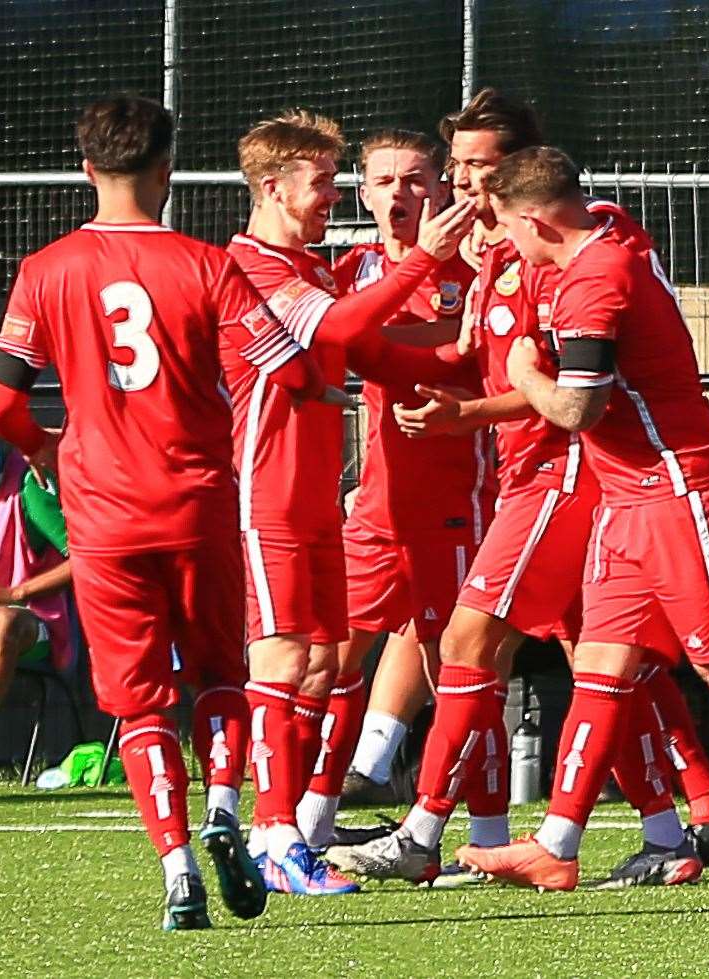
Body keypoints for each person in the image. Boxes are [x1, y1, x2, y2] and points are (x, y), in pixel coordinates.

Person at [328, 90, 709, 888]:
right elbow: (453, 350)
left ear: (521, 170)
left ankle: (421, 828)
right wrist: (340, 340)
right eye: (454, 167)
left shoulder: (562, 250)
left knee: (468, 642)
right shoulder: (490, 255)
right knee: (600, 660)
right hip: (524, 476)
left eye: (477, 167)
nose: (460, 184)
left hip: (564, 477)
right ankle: (681, 820)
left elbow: (565, 383)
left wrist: (469, 411)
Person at [448, 146, 709, 893]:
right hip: (629, 498)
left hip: (680, 492)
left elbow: (576, 406)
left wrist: (526, 370)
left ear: (535, 220)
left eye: (508, 229)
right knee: (599, 668)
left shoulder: (594, 278)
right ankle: (558, 842)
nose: (506, 245)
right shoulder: (608, 237)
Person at [0, 95, 327, 929]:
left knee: (138, 704)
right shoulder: (209, 266)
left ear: (86, 168)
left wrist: (46, 449)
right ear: (168, 169)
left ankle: (177, 869)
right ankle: (221, 811)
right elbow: (287, 370)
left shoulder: (47, 269)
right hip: (199, 502)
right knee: (218, 674)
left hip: (103, 516)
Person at [225, 108, 476, 896]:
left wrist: (473, 348)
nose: (331, 195)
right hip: (267, 499)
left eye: (338, 180)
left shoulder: (310, 268)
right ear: (273, 186)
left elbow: (368, 351)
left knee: (329, 669)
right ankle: (267, 832)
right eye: (323, 181)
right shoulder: (252, 269)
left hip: (319, 504)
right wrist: (420, 268)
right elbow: (338, 328)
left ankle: (302, 826)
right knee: (286, 662)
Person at [289, 128, 493, 847]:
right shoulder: (348, 273)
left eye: (415, 179)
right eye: (385, 181)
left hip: (455, 507)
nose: (400, 193)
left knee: (459, 666)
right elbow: (344, 347)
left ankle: (487, 833)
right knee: (333, 658)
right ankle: (312, 822)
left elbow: (472, 362)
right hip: (376, 507)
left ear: (440, 189)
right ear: (363, 193)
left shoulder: (475, 270)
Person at [0, 376, 73, 769]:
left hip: (32, 622)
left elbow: (88, 559)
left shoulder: (28, 484)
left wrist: (13, 593)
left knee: (4, 623)